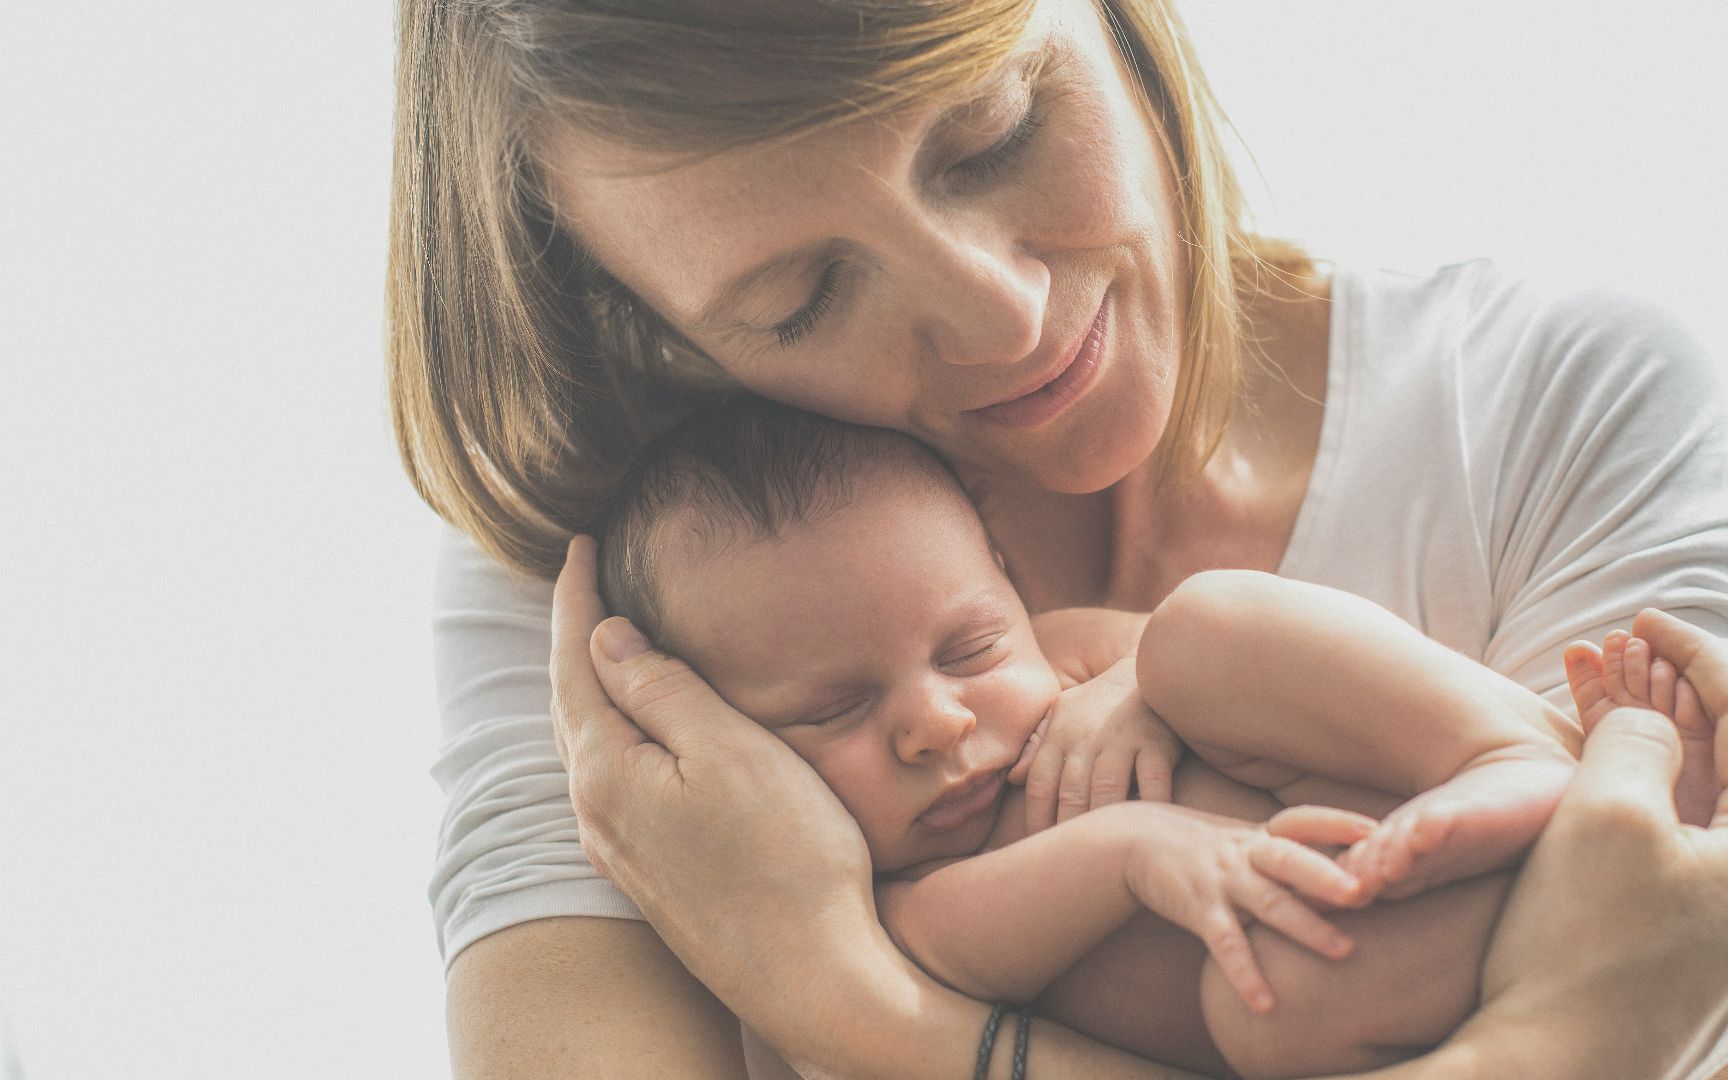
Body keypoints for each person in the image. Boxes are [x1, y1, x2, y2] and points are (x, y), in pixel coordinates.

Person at [387, 0, 1728, 1076]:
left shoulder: (1541, 404)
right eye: (800, 297)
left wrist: (856, 1003)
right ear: (649, 323)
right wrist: (1567, 1035)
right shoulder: (636, 601)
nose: (1003, 313)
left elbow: (1722, 946)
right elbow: (1641, 990)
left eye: (999, 126)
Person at [590, 396, 1609, 1077]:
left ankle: (1504, 756)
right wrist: (1132, 850)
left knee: (1203, 631)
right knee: (1273, 1006)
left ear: (1007, 579)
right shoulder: (884, 908)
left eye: (971, 645)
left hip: (1397, 799)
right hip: (1370, 946)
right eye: (832, 712)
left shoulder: (1067, 653)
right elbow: (949, 953)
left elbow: (1246, 672)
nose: (938, 721)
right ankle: (1557, 877)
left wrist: (1133, 684)